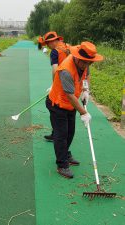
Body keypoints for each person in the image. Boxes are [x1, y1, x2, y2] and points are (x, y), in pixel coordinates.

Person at [46, 41, 103, 179]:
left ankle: (65, 154)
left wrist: (85, 90)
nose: (87, 65)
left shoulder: (85, 64)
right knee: (61, 135)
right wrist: (84, 113)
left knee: (70, 132)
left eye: (89, 63)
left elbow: (86, 76)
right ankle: (62, 165)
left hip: (71, 105)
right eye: (84, 62)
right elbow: (70, 96)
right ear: (77, 57)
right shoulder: (66, 70)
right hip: (58, 104)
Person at [43, 31, 71, 142]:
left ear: (53, 41)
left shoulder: (55, 52)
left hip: (61, 83)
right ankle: (57, 132)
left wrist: (53, 85)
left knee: (51, 105)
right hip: (72, 82)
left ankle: (57, 134)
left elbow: (55, 69)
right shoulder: (68, 47)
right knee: (65, 108)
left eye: (48, 43)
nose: (48, 46)